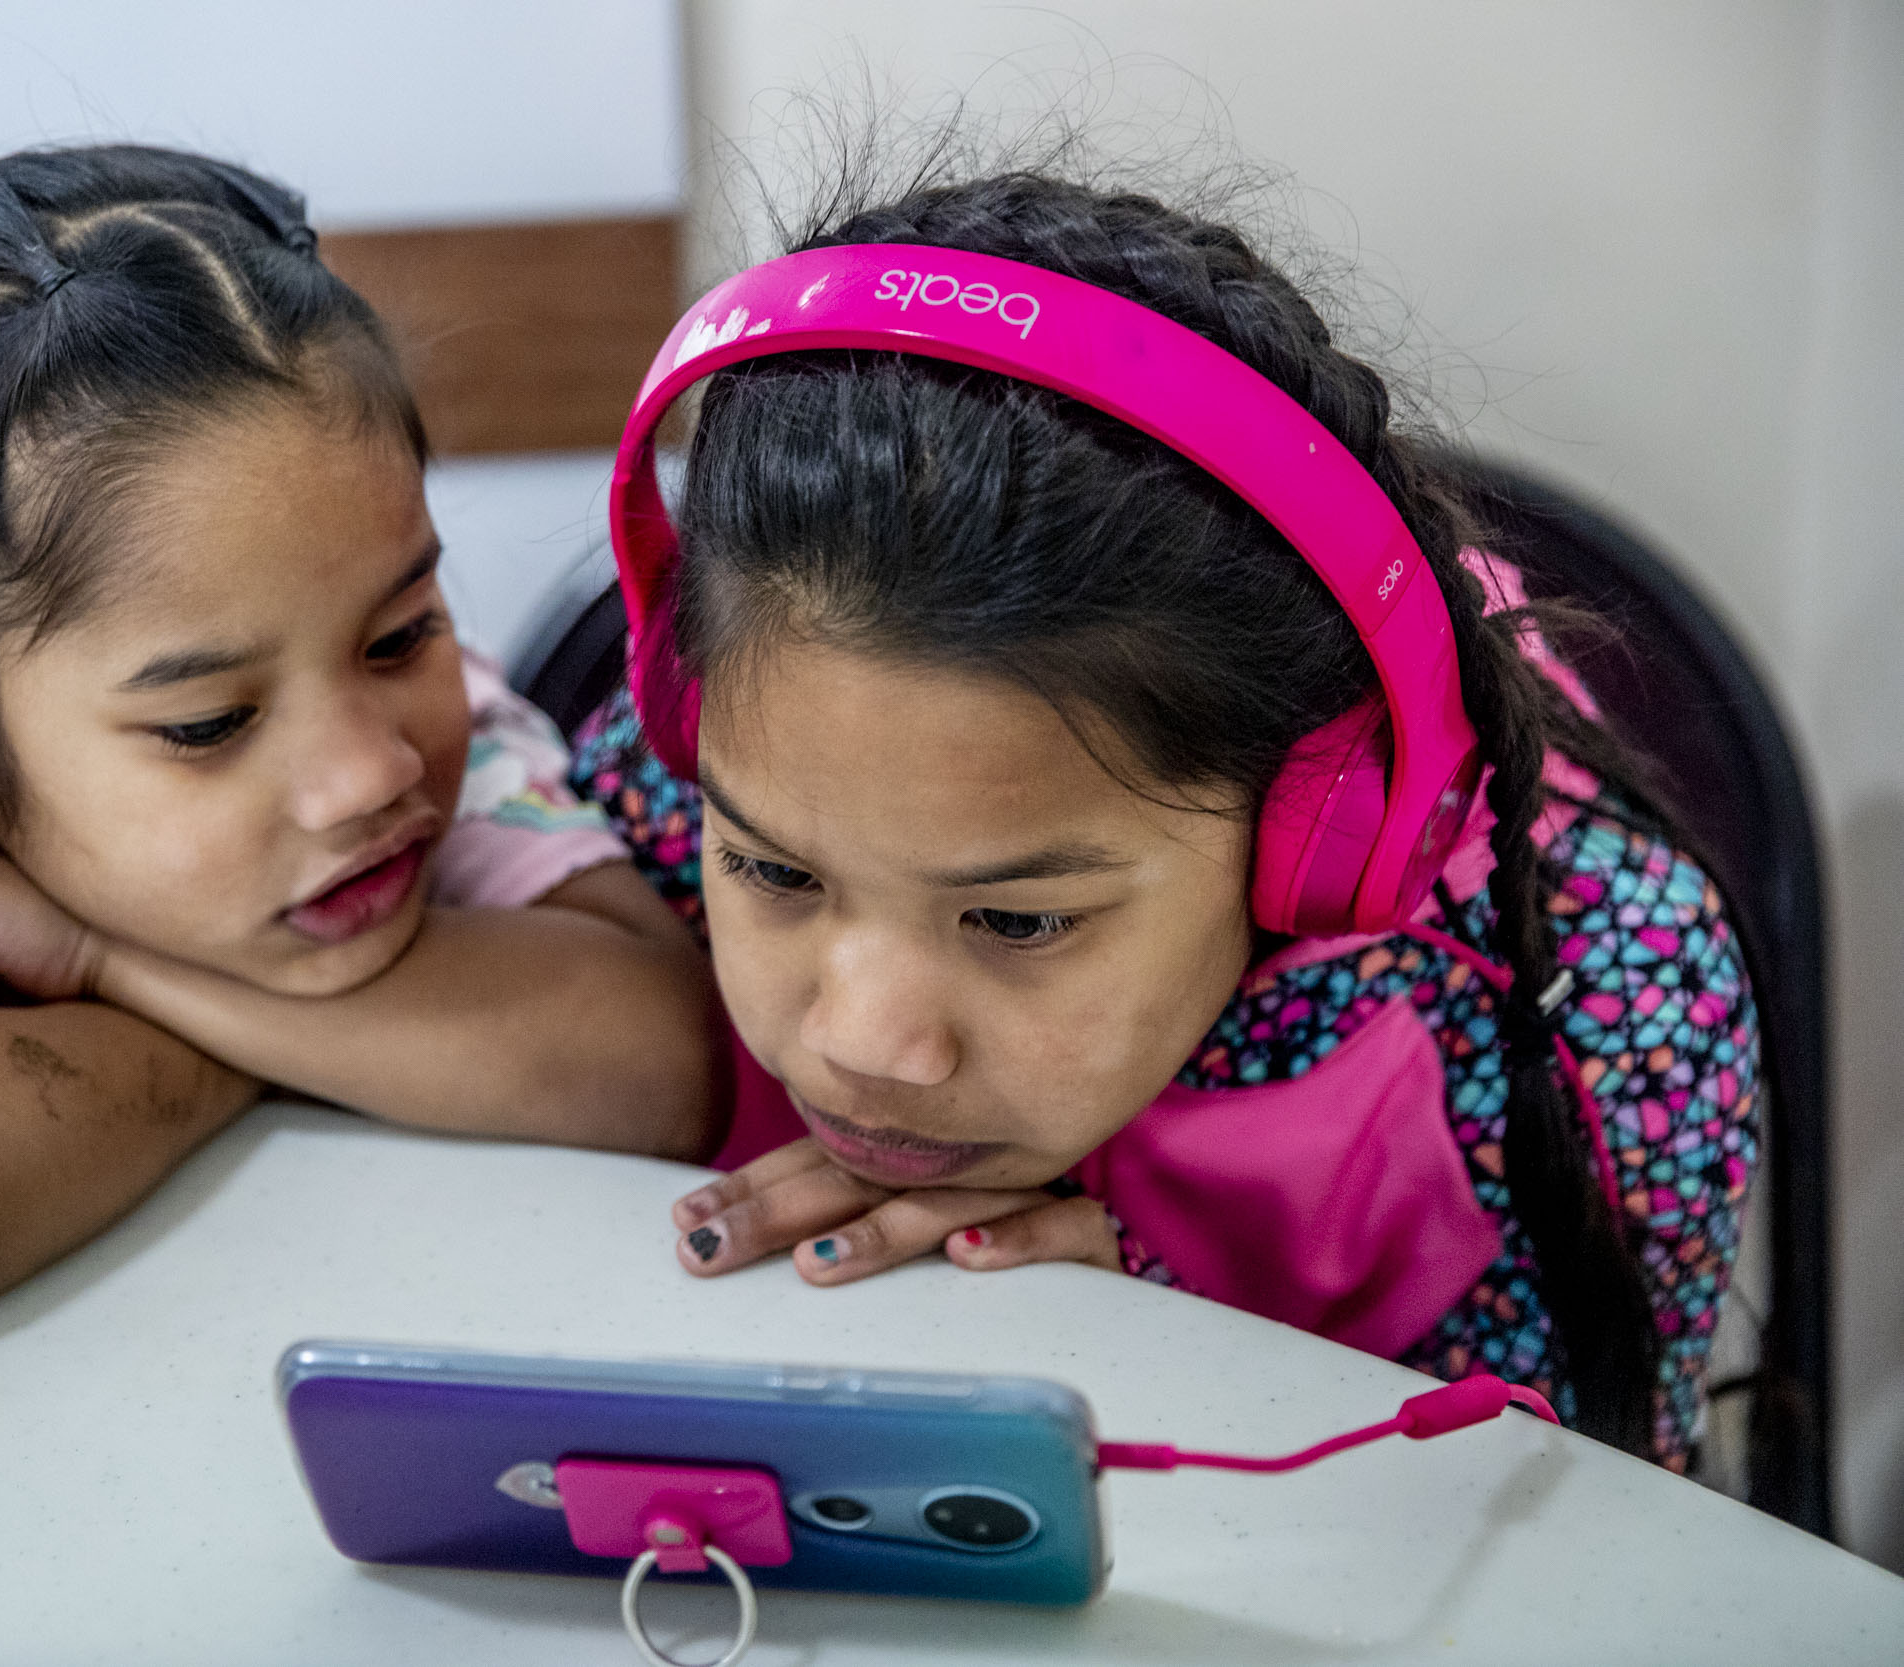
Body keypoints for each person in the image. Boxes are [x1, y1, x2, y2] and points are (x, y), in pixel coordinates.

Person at [572, 169, 1758, 1468]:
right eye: (773, 871)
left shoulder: (1607, 986)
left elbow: (1600, 1536)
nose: (866, 1044)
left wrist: (1179, 1339)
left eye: (1018, 915)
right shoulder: (703, 759)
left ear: (1330, 834)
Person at [0, 145, 717, 1336]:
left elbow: (660, 1066)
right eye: (209, 722)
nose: (375, 769)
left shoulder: (439, 709)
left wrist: (97, 956)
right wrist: (343, 1044)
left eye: (400, 632)